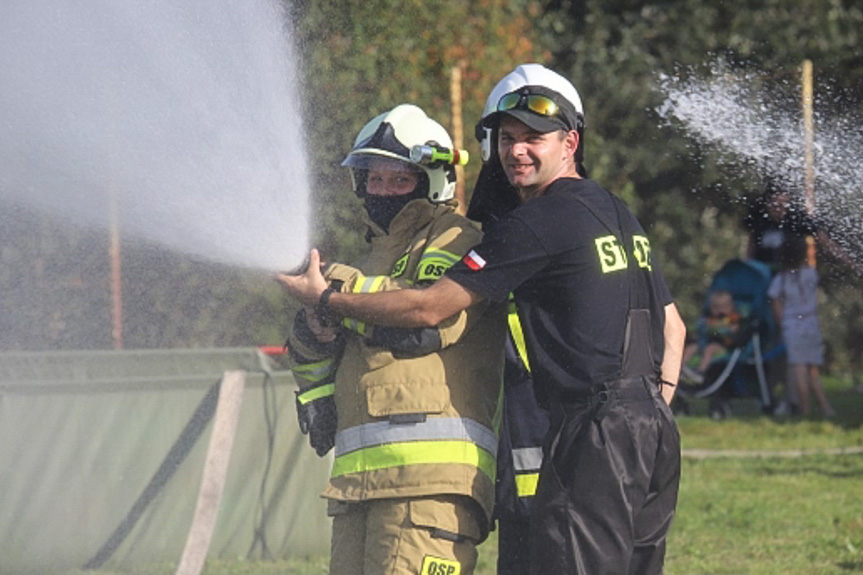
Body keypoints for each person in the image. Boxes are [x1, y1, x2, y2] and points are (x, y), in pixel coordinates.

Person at [279, 64, 686, 575]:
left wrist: (327, 300)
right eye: (508, 138)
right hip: (649, 426)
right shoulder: (615, 212)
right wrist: (648, 413)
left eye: (533, 138)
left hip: (591, 427)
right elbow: (674, 328)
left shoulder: (536, 221)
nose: (517, 150)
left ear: (570, 141)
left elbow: (430, 309)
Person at [285, 104, 507, 575]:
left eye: (398, 179)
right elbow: (331, 346)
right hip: (357, 487)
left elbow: (425, 319)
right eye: (374, 179)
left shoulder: (459, 241)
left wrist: (331, 292)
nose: (382, 190)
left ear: (432, 180)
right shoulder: (367, 263)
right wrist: (316, 331)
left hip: (429, 488)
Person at [767, 236, 836, 418]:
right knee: (812, 369)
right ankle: (825, 408)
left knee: (798, 368)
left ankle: (803, 409)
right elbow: (811, 262)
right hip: (811, 324)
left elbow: (776, 304)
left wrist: (781, 325)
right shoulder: (811, 274)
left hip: (792, 325)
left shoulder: (781, 279)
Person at [681, 290, 745, 382]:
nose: (720, 310)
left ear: (731, 306)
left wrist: (723, 328)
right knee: (691, 347)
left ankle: (700, 372)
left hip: (724, 344)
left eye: (724, 307)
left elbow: (734, 329)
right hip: (706, 341)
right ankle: (681, 368)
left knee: (709, 350)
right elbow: (700, 327)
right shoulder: (709, 317)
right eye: (716, 307)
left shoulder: (733, 317)